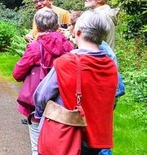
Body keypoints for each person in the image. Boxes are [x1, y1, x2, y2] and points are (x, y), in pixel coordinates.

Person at [34, 10, 118, 155]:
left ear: (78, 32)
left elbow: (41, 96)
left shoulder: (67, 63)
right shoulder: (111, 66)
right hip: (95, 138)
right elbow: (112, 101)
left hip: (65, 134)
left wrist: (40, 115)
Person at [13, 8, 74, 155]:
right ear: (57, 26)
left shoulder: (35, 47)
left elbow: (17, 73)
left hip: (37, 103)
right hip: (62, 103)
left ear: (38, 26)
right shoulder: (69, 46)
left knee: (37, 146)